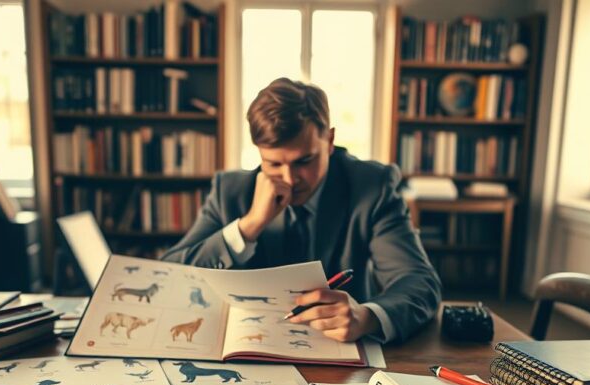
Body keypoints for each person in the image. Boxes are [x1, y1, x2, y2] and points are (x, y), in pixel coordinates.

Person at [162, 78, 441, 343]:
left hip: (342, 357)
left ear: (329, 141)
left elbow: (419, 282)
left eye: (304, 160)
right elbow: (168, 275)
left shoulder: (372, 186)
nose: (290, 179)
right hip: (250, 349)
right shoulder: (230, 191)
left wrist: (366, 317)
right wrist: (248, 227)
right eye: (272, 164)